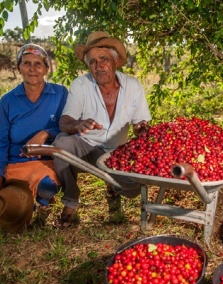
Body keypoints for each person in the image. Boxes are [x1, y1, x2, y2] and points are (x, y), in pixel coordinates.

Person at [52, 31, 152, 228]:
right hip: (87, 148)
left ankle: (113, 185)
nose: (98, 67)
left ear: (115, 61)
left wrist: (141, 129)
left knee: (132, 189)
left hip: (118, 154)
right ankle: (71, 200)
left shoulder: (133, 86)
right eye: (92, 62)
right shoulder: (81, 85)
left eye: (104, 59)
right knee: (61, 143)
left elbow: (142, 125)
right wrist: (76, 125)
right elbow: (64, 122)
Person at [0, 44, 68, 227]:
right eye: (26, 63)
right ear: (18, 68)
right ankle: (28, 204)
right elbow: (1, 142)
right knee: (14, 201)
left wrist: (46, 133)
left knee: (46, 186)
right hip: (16, 164)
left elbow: (68, 127)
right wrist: (0, 173)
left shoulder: (60, 94)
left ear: (46, 68)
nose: (32, 69)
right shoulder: (7, 101)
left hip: (47, 161)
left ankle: (44, 199)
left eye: (38, 64)